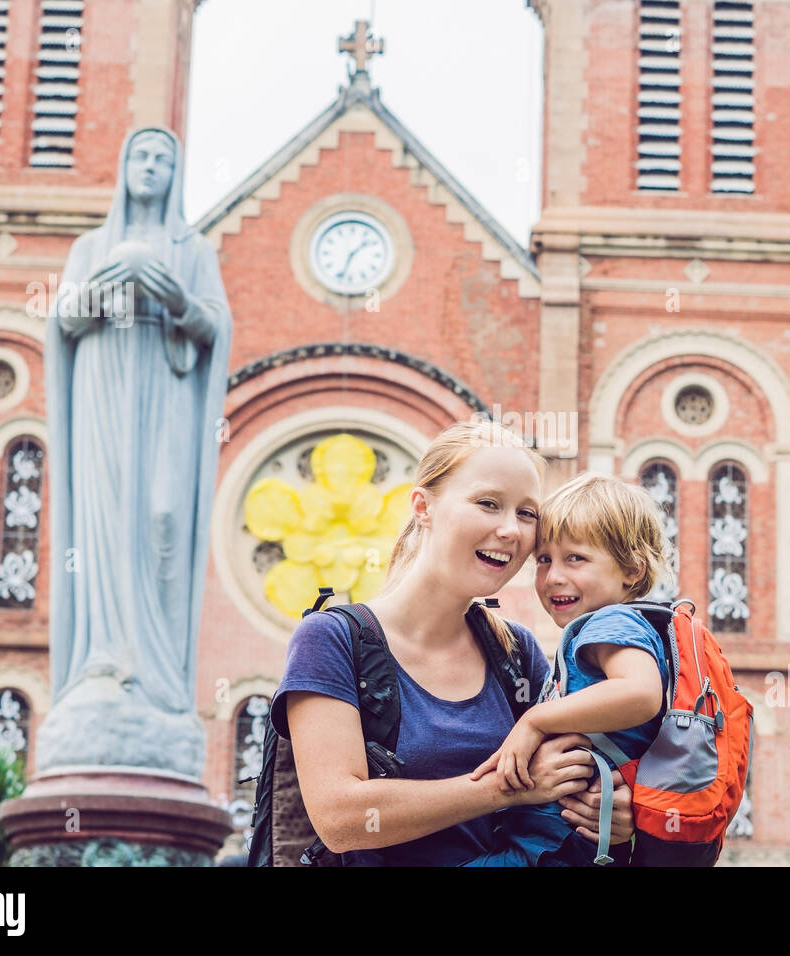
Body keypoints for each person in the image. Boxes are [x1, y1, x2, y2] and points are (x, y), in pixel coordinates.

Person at [269, 420, 635, 865]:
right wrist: (506, 786)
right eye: (488, 503)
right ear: (423, 507)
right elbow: (341, 818)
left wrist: (609, 818)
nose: (511, 531)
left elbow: (564, 795)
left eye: (526, 513)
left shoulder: (517, 654)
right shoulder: (332, 640)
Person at [40, 126, 233, 778]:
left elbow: (214, 326)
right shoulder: (89, 245)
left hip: (167, 393)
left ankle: (156, 674)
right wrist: (104, 284)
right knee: (105, 516)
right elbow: (63, 318)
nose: (150, 168)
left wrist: (175, 297)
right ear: (124, 168)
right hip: (105, 386)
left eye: (163, 159)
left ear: (176, 174)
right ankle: (103, 656)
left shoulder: (193, 248)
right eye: (141, 157)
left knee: (160, 517)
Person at [462, 472, 672, 866]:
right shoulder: (604, 628)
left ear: (632, 571)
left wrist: (535, 721)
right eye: (544, 559)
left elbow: (641, 694)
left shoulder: (612, 623)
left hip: (554, 848)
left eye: (576, 558)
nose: (554, 576)